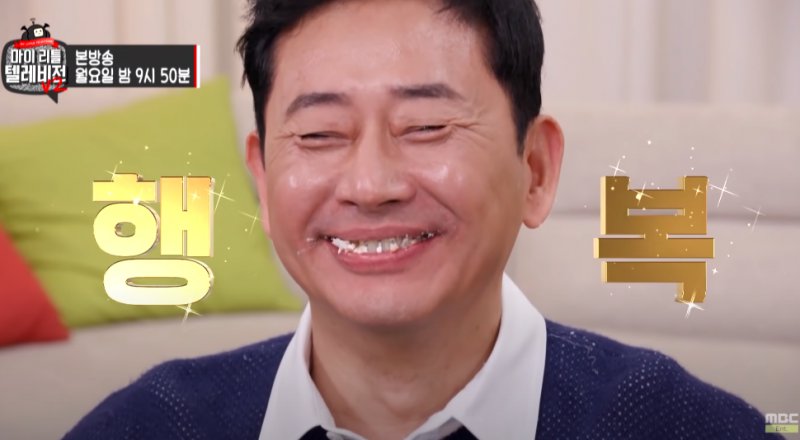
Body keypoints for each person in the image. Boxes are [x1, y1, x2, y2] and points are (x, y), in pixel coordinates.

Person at [65, 0, 776, 439]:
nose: (371, 185)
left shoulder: (688, 426)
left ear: (535, 168)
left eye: (428, 125)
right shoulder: (150, 425)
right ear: (262, 178)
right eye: (319, 134)